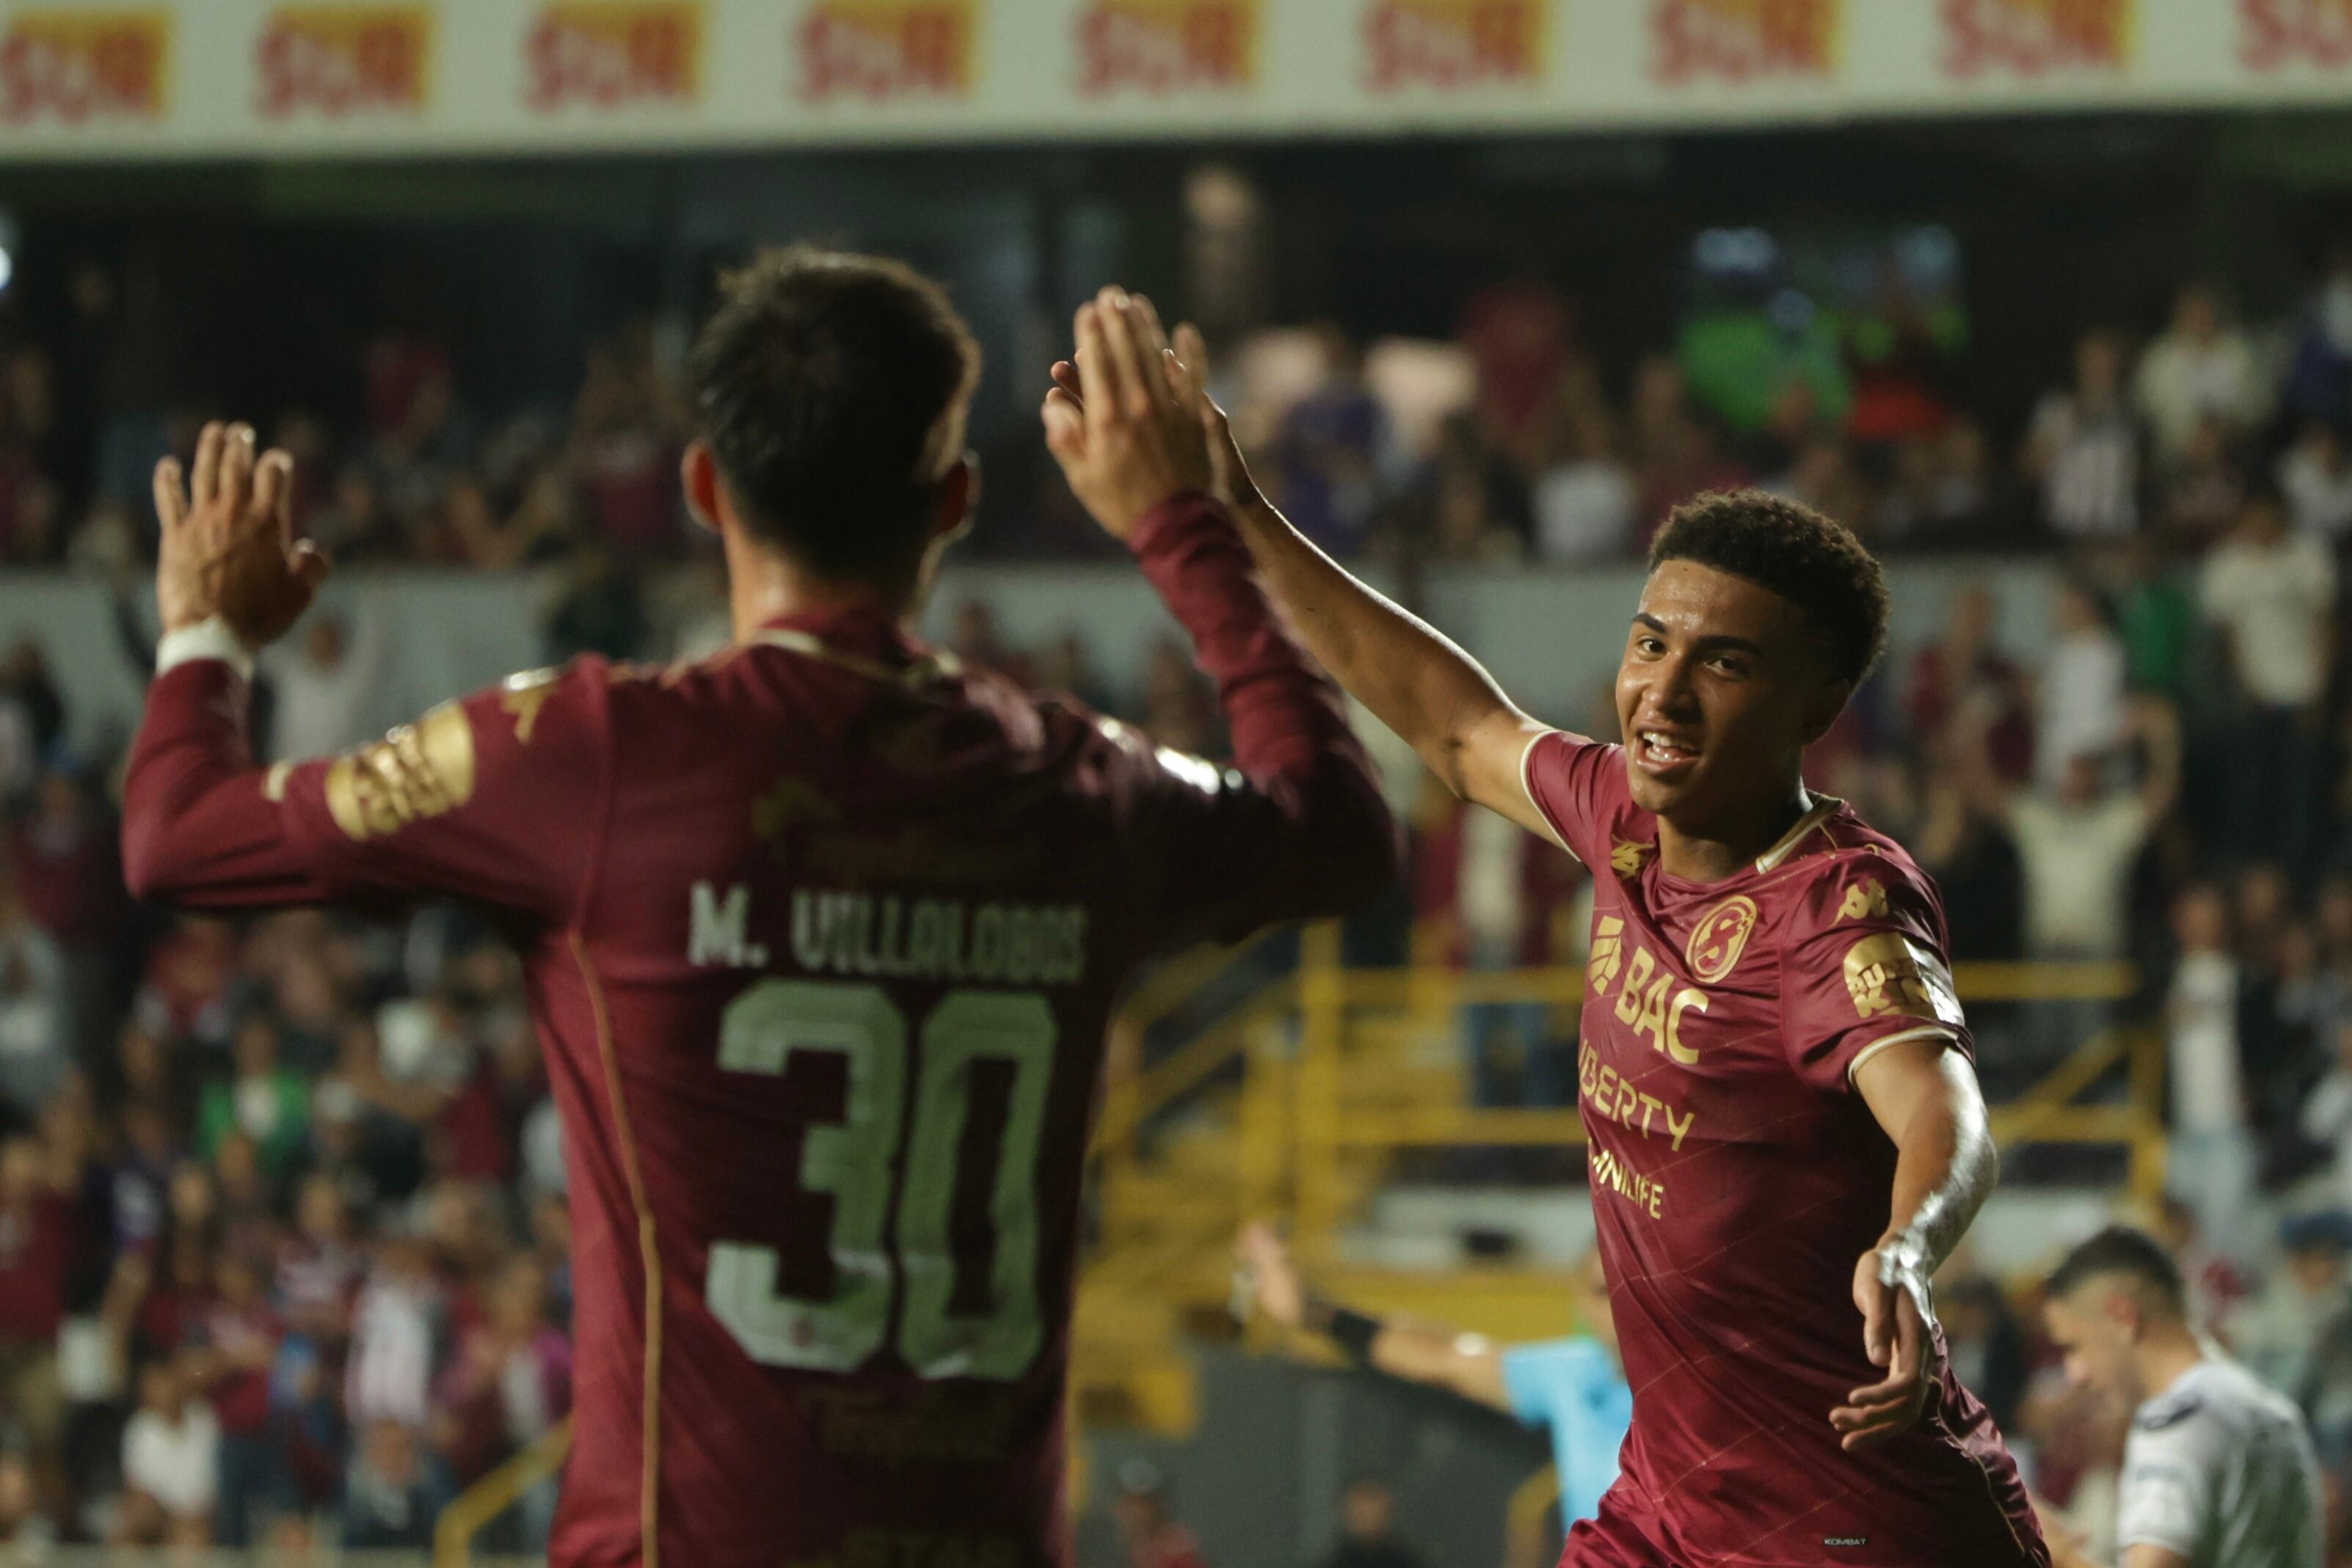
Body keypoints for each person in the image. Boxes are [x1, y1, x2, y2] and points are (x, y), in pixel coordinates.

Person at [117, 262, 1397, 1568]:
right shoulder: (1074, 787)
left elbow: (176, 836)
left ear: (703, 489)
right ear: (953, 501)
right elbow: (1342, 827)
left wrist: (206, 635)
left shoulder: (585, 755)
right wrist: (1183, 526)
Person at [1061, 308, 2044, 1563]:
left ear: (1818, 703)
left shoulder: (1834, 901)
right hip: (1668, 1507)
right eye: (1650, 642)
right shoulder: (1620, 815)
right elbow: (1458, 727)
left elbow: (1946, 1116)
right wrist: (1237, 506)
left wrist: (1908, 1246)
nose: (1662, 690)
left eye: (1723, 663)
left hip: (1849, 1523)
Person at [1234, 1222, 1628, 1531]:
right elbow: (1440, 1357)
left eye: (1631, 1286)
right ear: (1580, 1301)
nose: (1619, 1305)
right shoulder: (1569, 1374)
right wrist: (1315, 1313)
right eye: (1602, 1290)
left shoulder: (1671, 1383)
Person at [2039, 1225, 2321, 1568]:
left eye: (2075, 1346)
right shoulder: (2268, 1406)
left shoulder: (2179, 1426)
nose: (2075, 1374)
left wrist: (2056, 1551)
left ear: (2122, 1317)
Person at [1314, 1476, 1425, 1568]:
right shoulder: (1333, 1563)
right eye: (1360, 1509)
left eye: (1372, 1500)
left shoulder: (1405, 1562)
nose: (1367, 1512)